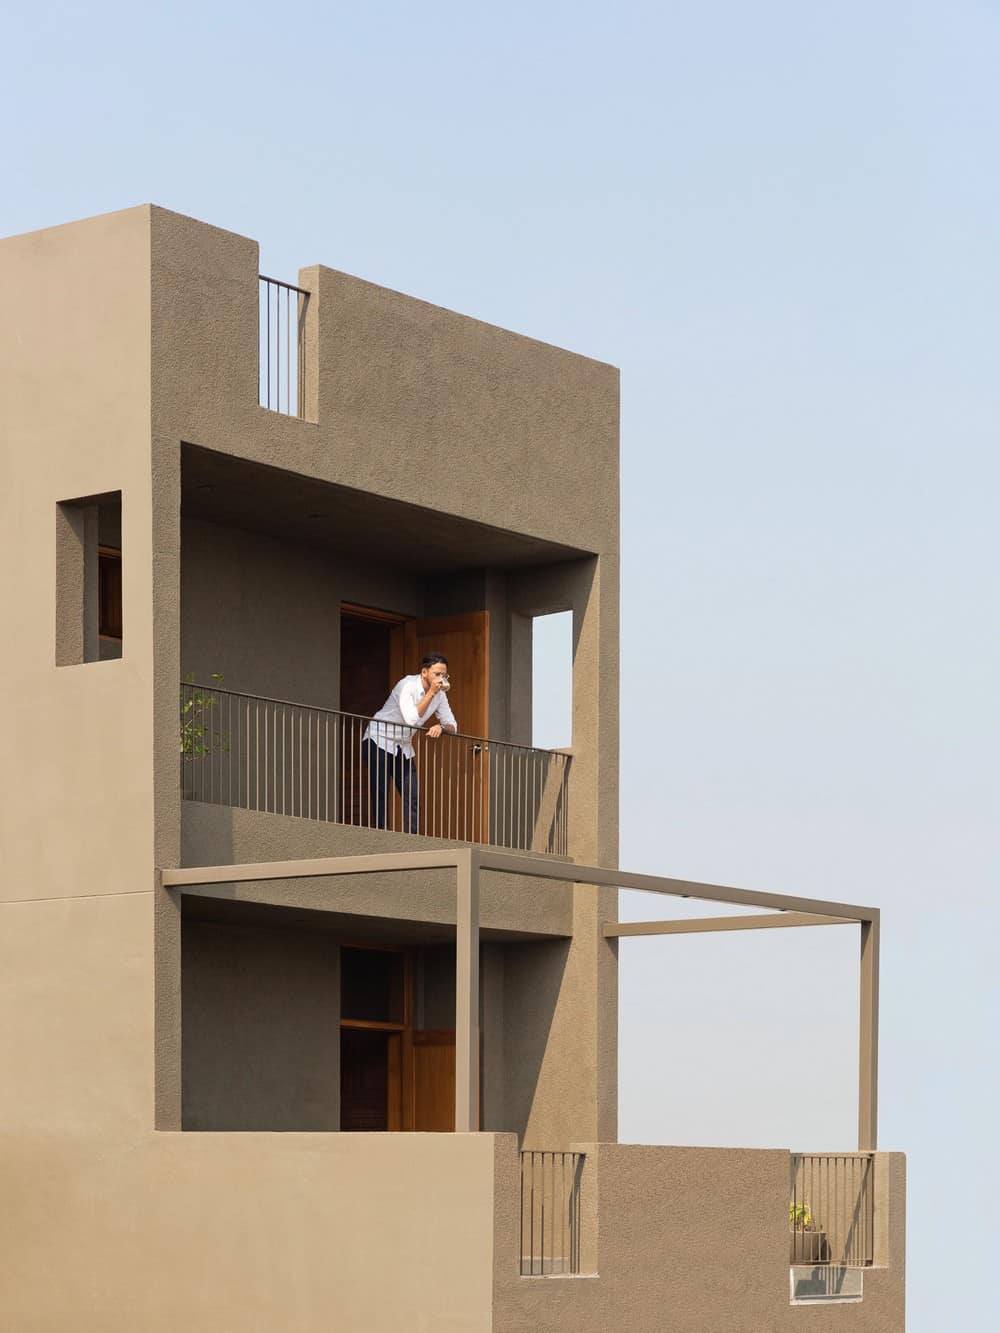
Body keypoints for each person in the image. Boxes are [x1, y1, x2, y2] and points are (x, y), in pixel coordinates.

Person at [363, 654, 457, 833]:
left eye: (444, 676)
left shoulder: (440, 696)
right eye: (437, 674)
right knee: (380, 791)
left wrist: (441, 727)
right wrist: (431, 693)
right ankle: (379, 833)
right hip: (378, 738)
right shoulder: (406, 685)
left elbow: (453, 724)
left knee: (412, 794)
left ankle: (412, 837)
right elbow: (411, 719)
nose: (441, 679)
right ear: (424, 672)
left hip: (402, 746)